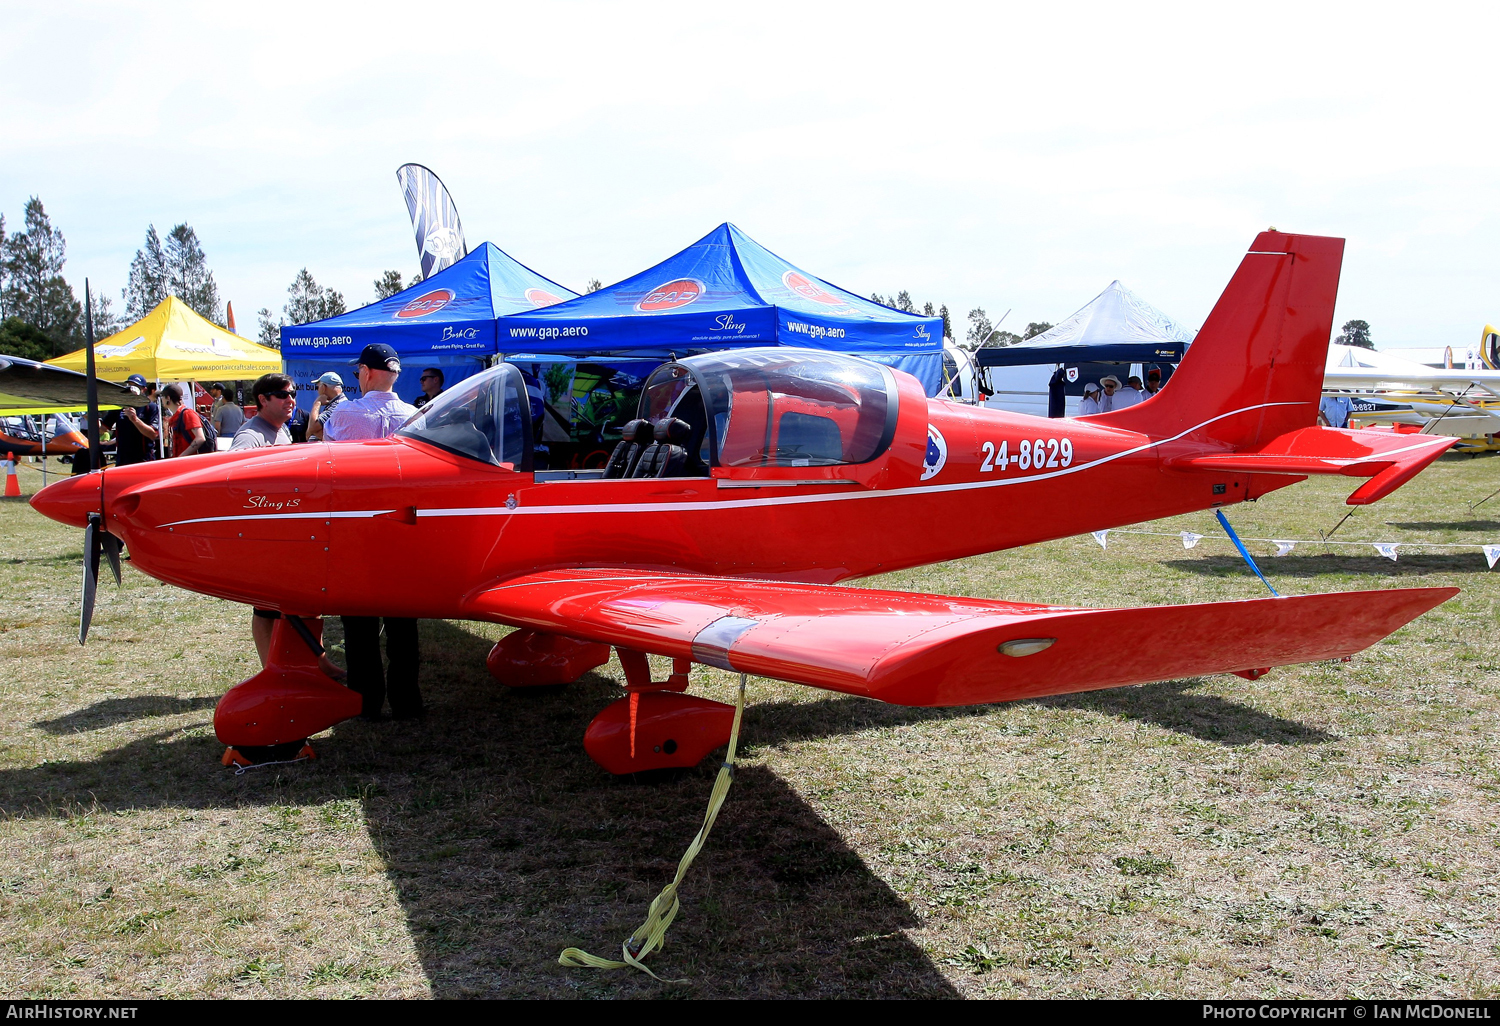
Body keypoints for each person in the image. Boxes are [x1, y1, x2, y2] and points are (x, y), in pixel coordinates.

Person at [327, 343, 423, 720]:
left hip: (358, 528)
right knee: (403, 626)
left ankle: (365, 702)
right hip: (403, 528)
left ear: (366, 372)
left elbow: (330, 463)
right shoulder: (417, 416)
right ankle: (407, 701)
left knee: (359, 628)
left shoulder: (344, 413)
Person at [230, 373, 296, 450]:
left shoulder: (282, 428)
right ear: (263, 400)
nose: (290, 400)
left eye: (292, 394)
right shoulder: (249, 437)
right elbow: (235, 461)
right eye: (282, 395)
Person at [113, 374, 160, 466]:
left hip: (143, 461)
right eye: (130, 386)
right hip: (122, 460)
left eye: (136, 386)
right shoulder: (119, 406)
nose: (132, 389)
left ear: (144, 390)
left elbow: (153, 434)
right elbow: (103, 428)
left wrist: (135, 420)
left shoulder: (150, 407)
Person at [161, 384, 208, 457]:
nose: (161, 399)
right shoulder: (176, 416)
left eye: (162, 396)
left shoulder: (188, 413)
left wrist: (181, 457)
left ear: (168, 398)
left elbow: (200, 438)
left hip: (190, 463)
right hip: (179, 462)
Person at [305, 372, 347, 442]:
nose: (317, 390)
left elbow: (312, 427)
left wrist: (317, 403)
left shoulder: (338, 405)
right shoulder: (338, 403)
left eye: (317, 387)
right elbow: (309, 433)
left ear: (323, 387)